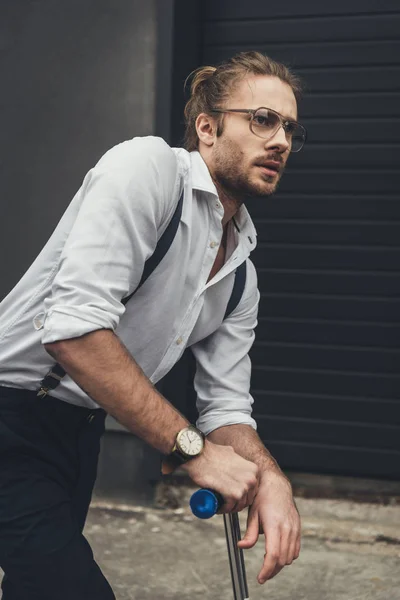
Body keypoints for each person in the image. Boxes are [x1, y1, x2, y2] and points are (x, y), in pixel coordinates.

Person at [0, 50, 307, 598]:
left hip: (80, 431)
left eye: (289, 127)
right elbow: (74, 330)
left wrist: (270, 477)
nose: (280, 139)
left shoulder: (241, 275)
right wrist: (195, 450)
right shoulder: (148, 171)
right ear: (207, 127)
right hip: (9, 410)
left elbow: (228, 410)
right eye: (262, 119)